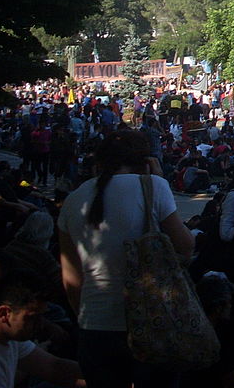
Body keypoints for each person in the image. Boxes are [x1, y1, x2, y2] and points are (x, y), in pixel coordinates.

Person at [57, 129, 193, 387]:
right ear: (145, 160)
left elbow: (71, 278)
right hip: (152, 320)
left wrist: (87, 317)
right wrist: (160, 179)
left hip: (95, 324)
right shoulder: (154, 185)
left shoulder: (74, 200)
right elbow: (185, 246)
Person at [0, 267, 84, 388]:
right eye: (32, 318)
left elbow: (54, 367)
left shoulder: (7, 335)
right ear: (4, 314)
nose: (40, 324)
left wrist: (101, 376)